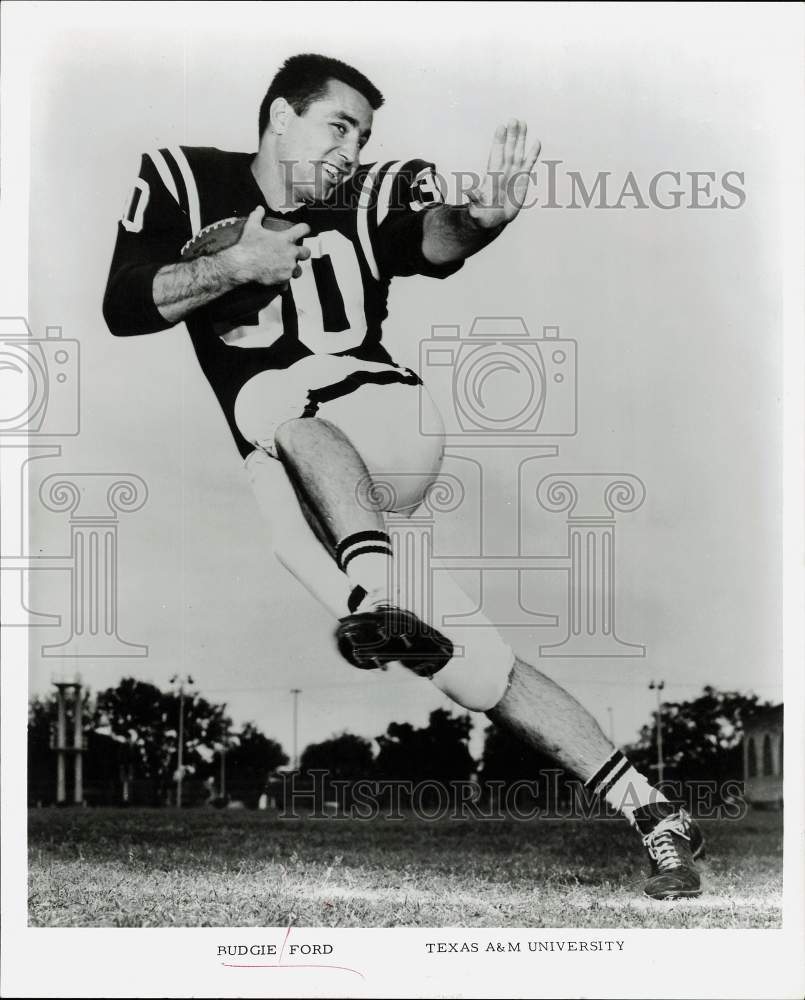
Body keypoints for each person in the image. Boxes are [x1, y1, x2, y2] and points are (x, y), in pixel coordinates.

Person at [103, 52, 704, 900]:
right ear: (280, 116)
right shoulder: (182, 178)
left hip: (380, 419)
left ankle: (376, 591)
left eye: (363, 134)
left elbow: (432, 234)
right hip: (312, 491)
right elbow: (124, 305)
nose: (351, 150)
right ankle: (653, 810)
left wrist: (480, 220)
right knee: (474, 670)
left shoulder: (369, 190)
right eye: (337, 126)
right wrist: (232, 267)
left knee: (274, 398)